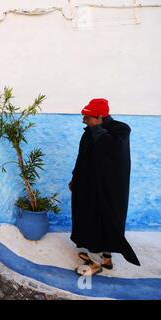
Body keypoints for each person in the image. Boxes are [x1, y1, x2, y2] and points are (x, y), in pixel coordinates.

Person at [70, 98, 140, 276]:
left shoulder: (121, 130)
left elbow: (111, 148)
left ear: (100, 117)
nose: (83, 120)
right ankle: (105, 256)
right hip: (88, 186)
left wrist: (97, 129)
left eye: (87, 117)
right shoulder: (89, 132)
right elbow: (82, 158)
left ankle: (95, 263)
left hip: (109, 189)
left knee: (104, 220)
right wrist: (74, 179)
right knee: (90, 219)